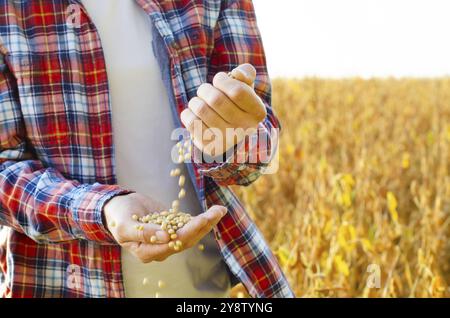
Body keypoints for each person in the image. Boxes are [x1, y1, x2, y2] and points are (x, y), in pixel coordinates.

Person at [0, 0, 293, 298]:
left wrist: (229, 139)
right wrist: (102, 210)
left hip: (202, 289)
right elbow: (3, 168)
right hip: (62, 284)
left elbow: (260, 148)